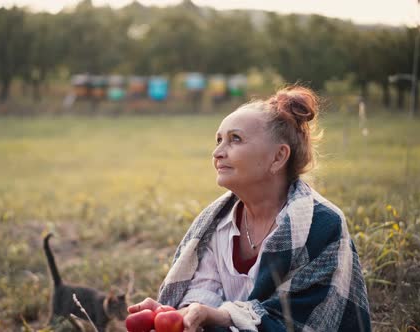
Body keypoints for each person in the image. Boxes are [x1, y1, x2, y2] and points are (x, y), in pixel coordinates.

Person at [128, 85, 371, 332]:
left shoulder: (322, 225)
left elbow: (299, 320)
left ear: (278, 157)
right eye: (219, 140)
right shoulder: (216, 223)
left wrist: (220, 316)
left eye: (235, 139)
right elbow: (203, 295)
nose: (217, 153)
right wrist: (173, 315)